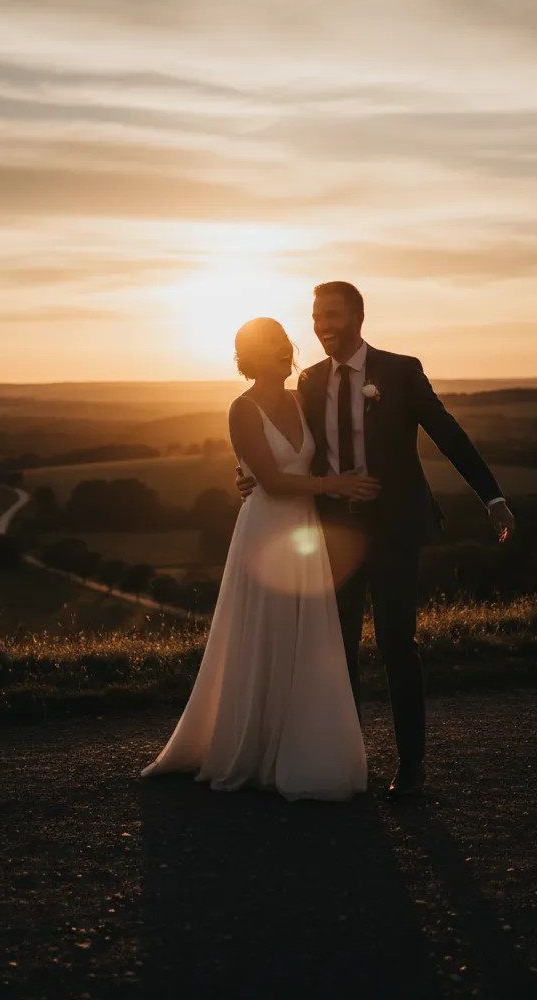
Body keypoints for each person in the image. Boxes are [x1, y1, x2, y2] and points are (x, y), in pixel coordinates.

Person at [237, 283, 516, 800]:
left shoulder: (401, 370)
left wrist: (491, 497)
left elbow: (449, 434)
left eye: (333, 316)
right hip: (333, 532)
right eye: (317, 316)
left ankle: (412, 765)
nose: (322, 325)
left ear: (358, 317)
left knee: (396, 645)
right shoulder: (311, 381)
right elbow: (294, 445)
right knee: (336, 649)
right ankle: (347, 762)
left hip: (393, 529)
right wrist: (255, 475)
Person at [141, 317, 378, 801]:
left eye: (282, 342)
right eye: (269, 344)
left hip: (303, 533)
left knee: (302, 637)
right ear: (250, 355)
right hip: (265, 530)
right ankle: (251, 747)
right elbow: (270, 479)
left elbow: (312, 454)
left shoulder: (300, 399)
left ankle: (296, 745)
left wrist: (249, 472)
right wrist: (331, 484)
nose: (281, 350)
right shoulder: (241, 407)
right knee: (264, 632)